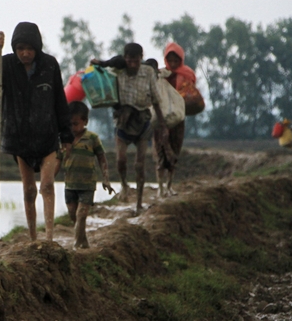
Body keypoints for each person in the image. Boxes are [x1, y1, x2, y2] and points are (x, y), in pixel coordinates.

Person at [0, 22, 73, 242]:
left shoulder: (49, 65)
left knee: (47, 185)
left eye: (30, 49)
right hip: (19, 138)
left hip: (47, 136)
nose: (25, 53)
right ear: (14, 48)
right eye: (20, 48)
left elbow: (60, 101)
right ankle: (33, 238)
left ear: (37, 48)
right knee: (29, 189)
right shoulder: (7, 64)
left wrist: (66, 136)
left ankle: (49, 237)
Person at [92, 43, 168, 214]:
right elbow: (105, 73)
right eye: (129, 61)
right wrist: (98, 64)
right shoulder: (118, 70)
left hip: (142, 120)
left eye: (135, 61)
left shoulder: (148, 72)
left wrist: (162, 124)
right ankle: (124, 185)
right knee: (121, 160)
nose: (132, 65)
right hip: (123, 121)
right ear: (125, 59)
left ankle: (139, 202)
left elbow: (156, 100)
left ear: (141, 58)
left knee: (140, 164)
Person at [62, 101, 114, 249]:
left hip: (87, 184)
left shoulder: (92, 138)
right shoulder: (65, 139)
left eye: (75, 124)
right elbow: (58, 159)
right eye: (69, 124)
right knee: (73, 213)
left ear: (85, 122)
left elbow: (102, 158)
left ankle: (77, 245)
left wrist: (106, 179)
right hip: (70, 184)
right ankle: (83, 239)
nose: (72, 128)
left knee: (81, 214)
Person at [155, 42, 197, 196]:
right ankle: (160, 188)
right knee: (160, 153)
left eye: (176, 60)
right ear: (166, 59)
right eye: (170, 60)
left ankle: (169, 186)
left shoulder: (187, 75)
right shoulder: (160, 75)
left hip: (178, 119)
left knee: (174, 152)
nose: (172, 63)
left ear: (181, 59)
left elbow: (190, 94)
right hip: (161, 120)